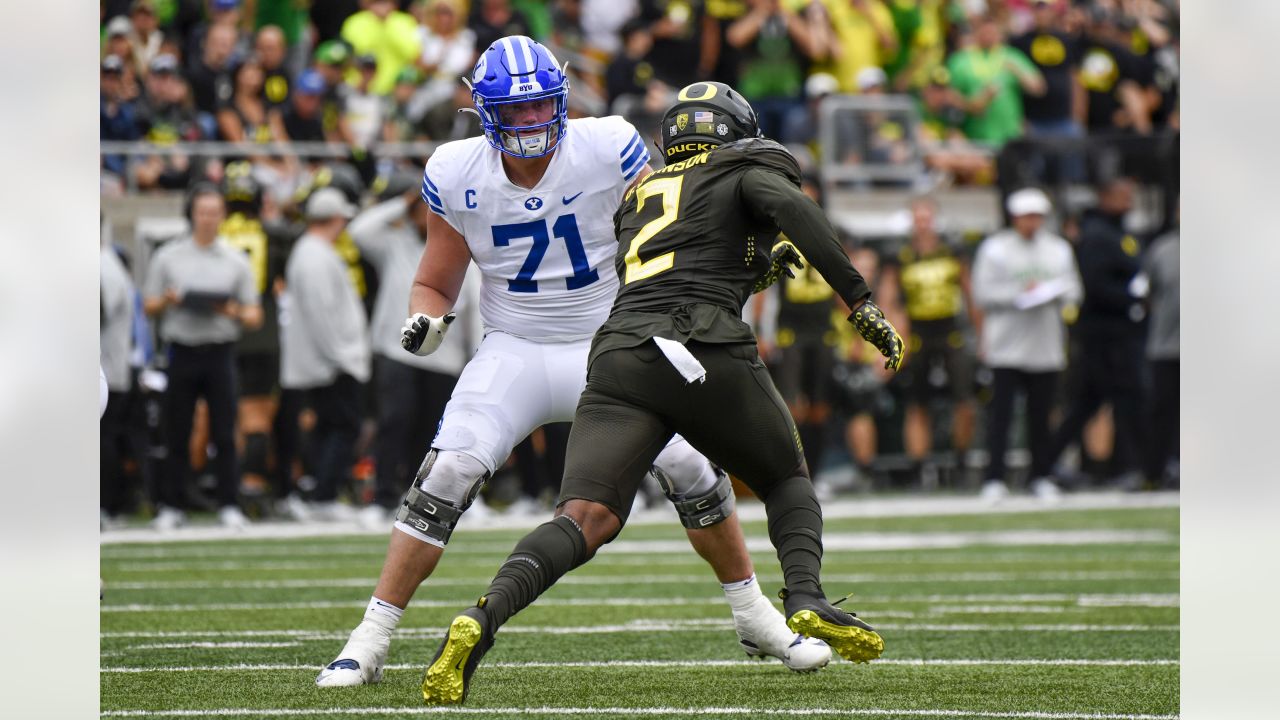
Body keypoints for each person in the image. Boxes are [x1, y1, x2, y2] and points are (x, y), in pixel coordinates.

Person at [316, 39, 831, 690]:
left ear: (561, 101)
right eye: (516, 110)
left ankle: (753, 612)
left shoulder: (607, 144)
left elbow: (676, 231)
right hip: (516, 347)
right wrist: (426, 318)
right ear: (484, 112)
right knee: (446, 473)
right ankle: (371, 637)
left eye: (540, 106)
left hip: (615, 338)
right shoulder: (454, 170)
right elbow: (436, 281)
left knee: (692, 465)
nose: (532, 121)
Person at [419, 80, 904, 705]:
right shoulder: (743, 166)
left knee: (583, 518)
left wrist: (756, 261)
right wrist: (859, 300)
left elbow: (677, 258)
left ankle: (479, 621)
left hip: (620, 352)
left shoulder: (643, 192)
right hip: (699, 344)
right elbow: (795, 212)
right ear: (734, 132)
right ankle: (806, 600)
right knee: (786, 478)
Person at [346, 172, 482, 527]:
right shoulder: (394, 240)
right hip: (397, 351)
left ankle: (430, 500)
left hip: (446, 358)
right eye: (422, 207)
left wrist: (476, 356)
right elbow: (358, 230)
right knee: (394, 422)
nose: (427, 214)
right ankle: (384, 498)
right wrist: (407, 197)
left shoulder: (462, 248)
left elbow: (473, 308)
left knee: (436, 434)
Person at [142, 184, 263, 530]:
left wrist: (229, 309)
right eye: (202, 212)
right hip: (181, 350)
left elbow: (255, 316)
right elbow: (148, 305)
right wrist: (170, 299)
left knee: (225, 432)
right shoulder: (168, 256)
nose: (208, 219)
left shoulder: (236, 259)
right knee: (175, 430)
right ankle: (170, 504)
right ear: (191, 214)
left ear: (222, 215)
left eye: (214, 212)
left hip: (220, 351)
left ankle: (228, 503)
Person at [970, 187, 1081, 502]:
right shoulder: (996, 249)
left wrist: (1051, 292)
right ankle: (994, 478)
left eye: (1037, 217)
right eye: (1026, 217)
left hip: (1045, 347)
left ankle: (1040, 475)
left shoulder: (1058, 250)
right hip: (1005, 345)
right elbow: (982, 293)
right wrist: (1021, 293)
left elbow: (1074, 291)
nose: (1032, 223)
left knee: (1041, 416)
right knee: (1001, 417)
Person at [1044, 178, 1145, 487]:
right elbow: (1096, 285)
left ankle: (1046, 462)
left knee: (1091, 402)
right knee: (1126, 398)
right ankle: (1140, 467)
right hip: (1104, 335)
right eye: (1122, 196)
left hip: (1117, 333)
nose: (1128, 203)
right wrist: (1136, 299)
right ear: (1105, 197)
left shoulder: (1118, 232)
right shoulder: (1098, 235)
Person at [279, 188, 370, 520]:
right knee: (344, 426)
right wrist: (342, 357)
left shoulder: (312, 252)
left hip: (324, 361)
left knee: (329, 428)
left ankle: (319, 492)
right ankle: (323, 495)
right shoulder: (314, 255)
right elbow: (322, 313)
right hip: (330, 363)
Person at [879, 196, 978, 487]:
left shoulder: (952, 250)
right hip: (918, 332)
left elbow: (969, 293)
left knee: (964, 399)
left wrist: (980, 332)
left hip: (951, 330)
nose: (922, 223)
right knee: (917, 402)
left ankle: (960, 461)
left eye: (927, 217)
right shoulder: (900, 255)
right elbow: (887, 297)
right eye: (918, 217)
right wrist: (892, 338)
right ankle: (919, 467)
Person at [946, 13, 1046, 148]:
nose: (989, 35)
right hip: (974, 137)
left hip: (1009, 137)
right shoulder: (961, 60)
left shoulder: (1012, 56)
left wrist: (1018, 72)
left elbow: (1039, 88)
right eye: (984, 31)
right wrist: (972, 105)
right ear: (976, 31)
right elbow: (947, 96)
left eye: (992, 31)